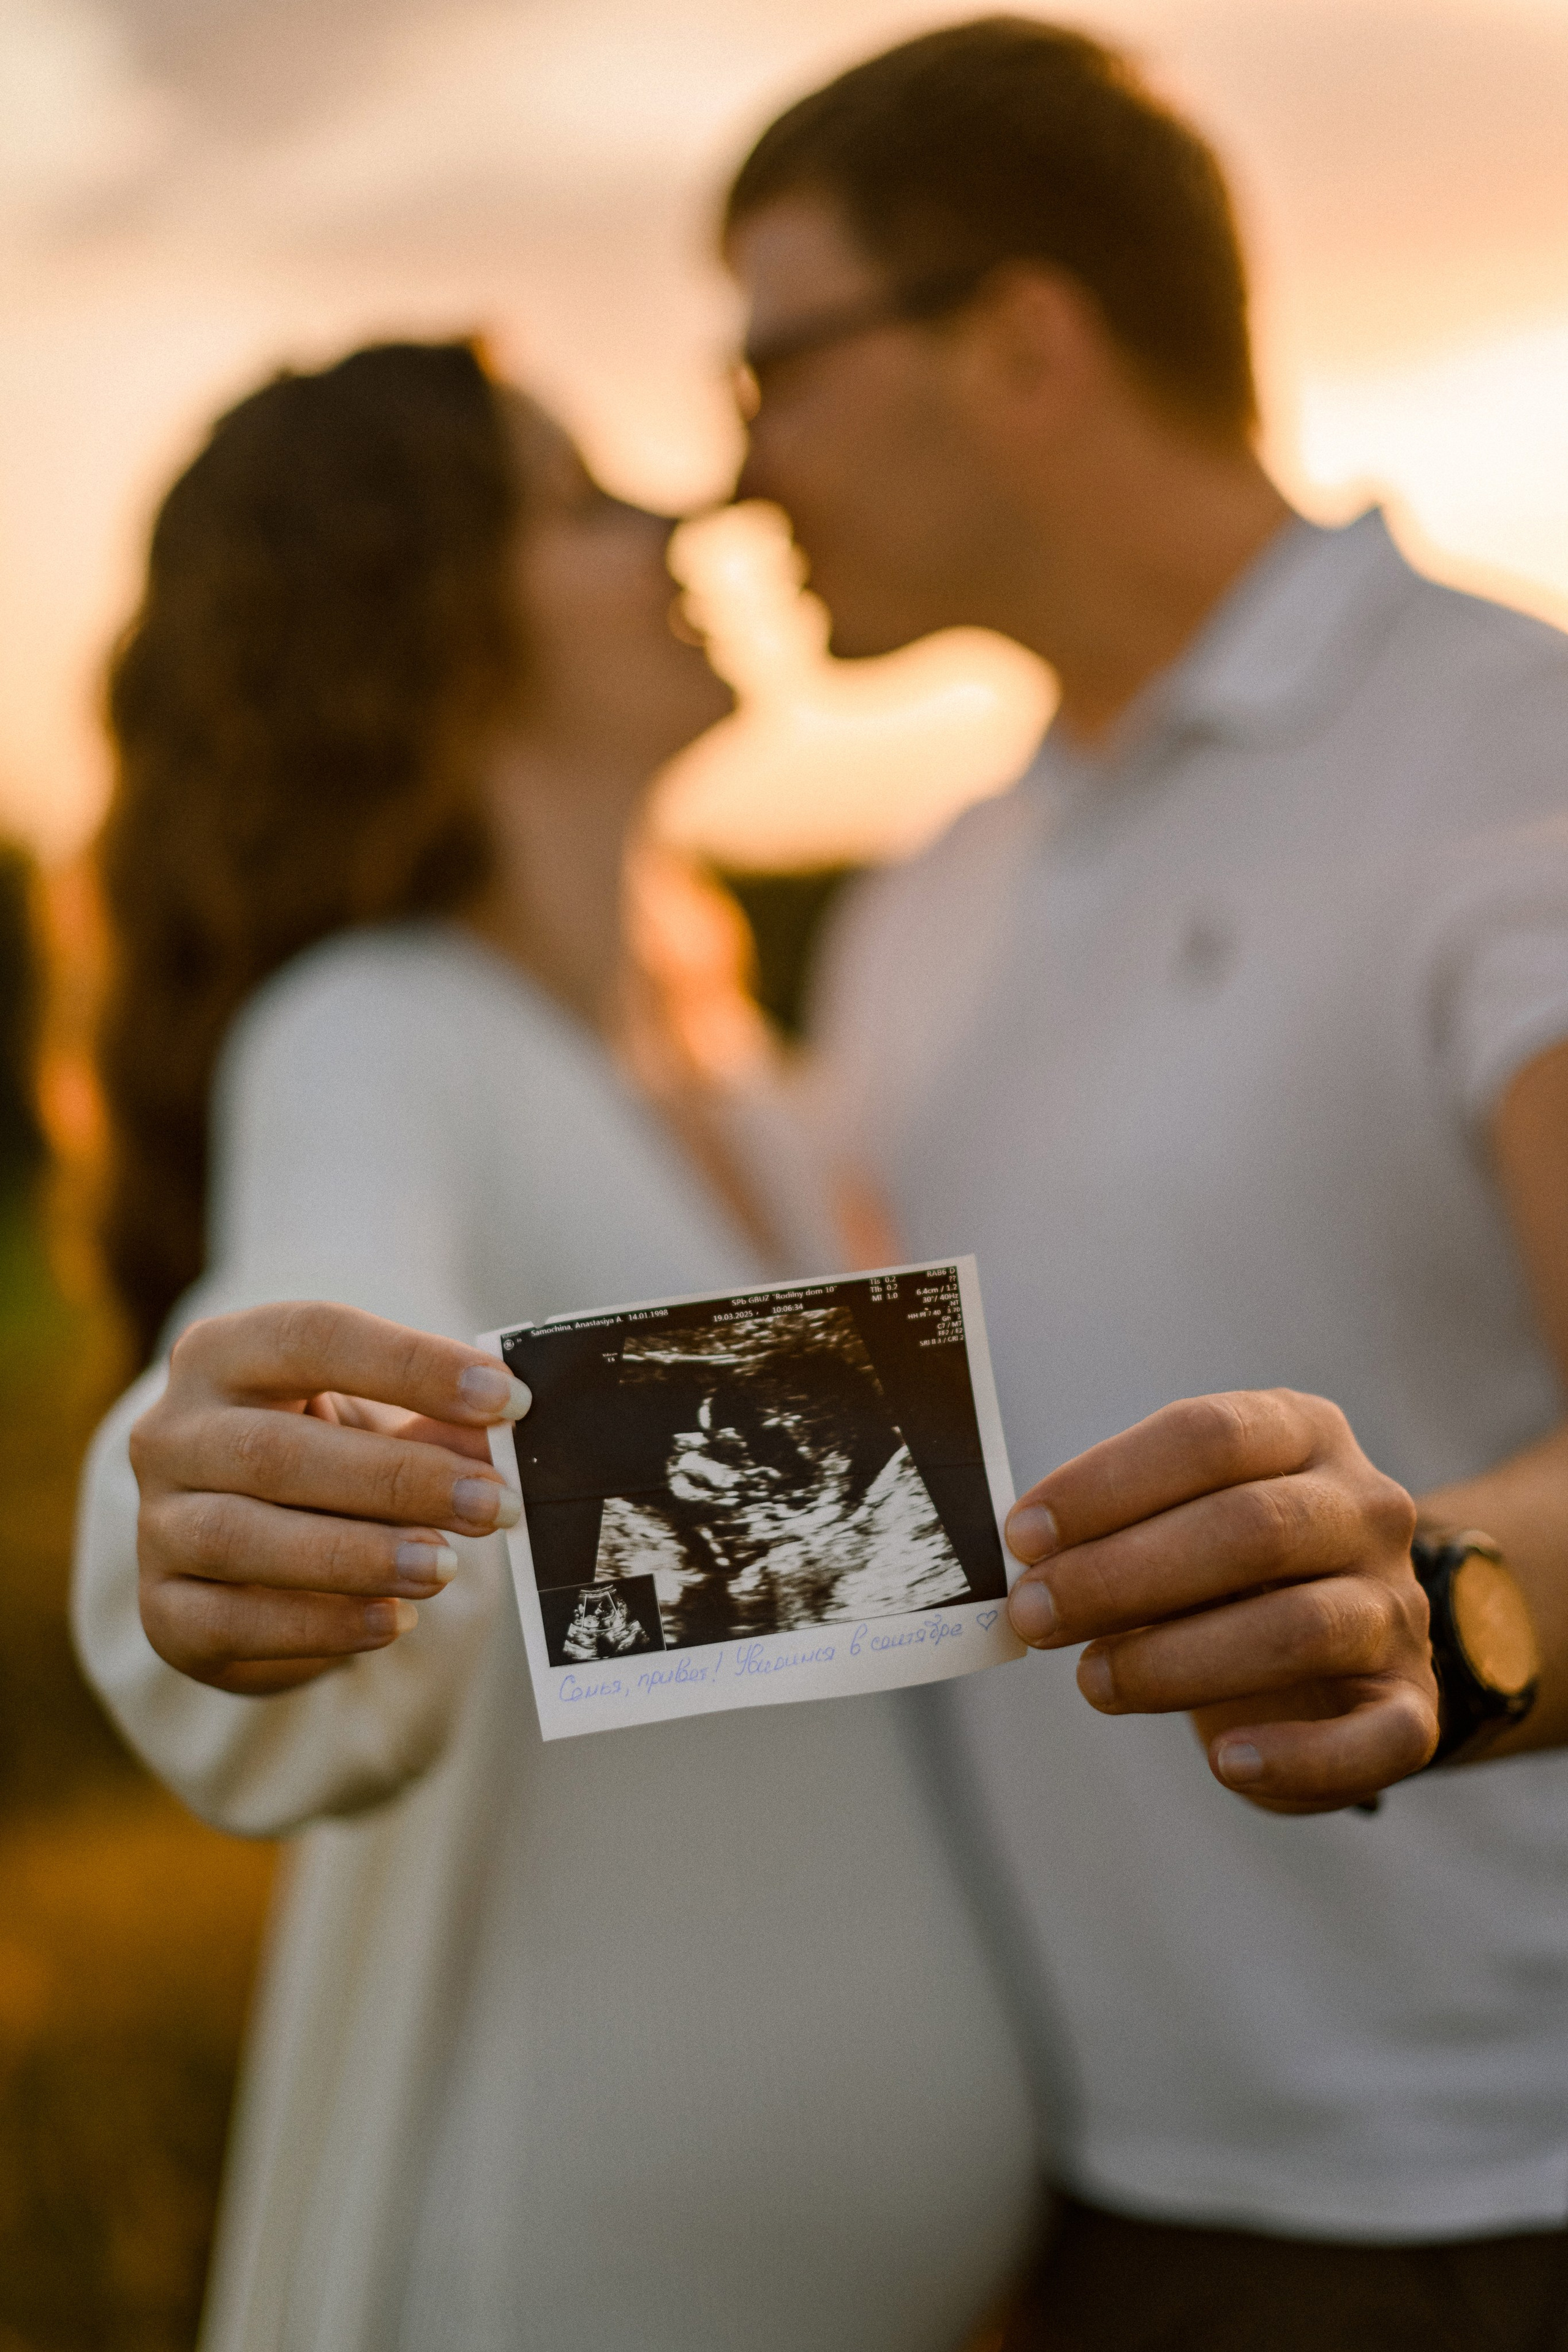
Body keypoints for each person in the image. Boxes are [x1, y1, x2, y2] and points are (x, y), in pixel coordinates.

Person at [720, 18, 1568, 2347]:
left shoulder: (1519, 755)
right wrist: (341, 1496)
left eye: (772, 365)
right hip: (1063, 2199)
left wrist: (1439, 1604)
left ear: (1024, 336)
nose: (730, 473)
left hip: (1487, 2189)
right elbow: (850, 1511)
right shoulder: (924, 907)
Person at [72, 340, 1041, 2351]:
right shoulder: (375, 1032)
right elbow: (291, 1393)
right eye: (582, 499)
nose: (677, 522)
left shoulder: (741, 1087)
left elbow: (867, 1614)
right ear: (420, 603)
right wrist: (207, 1544)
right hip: (558, 2268)